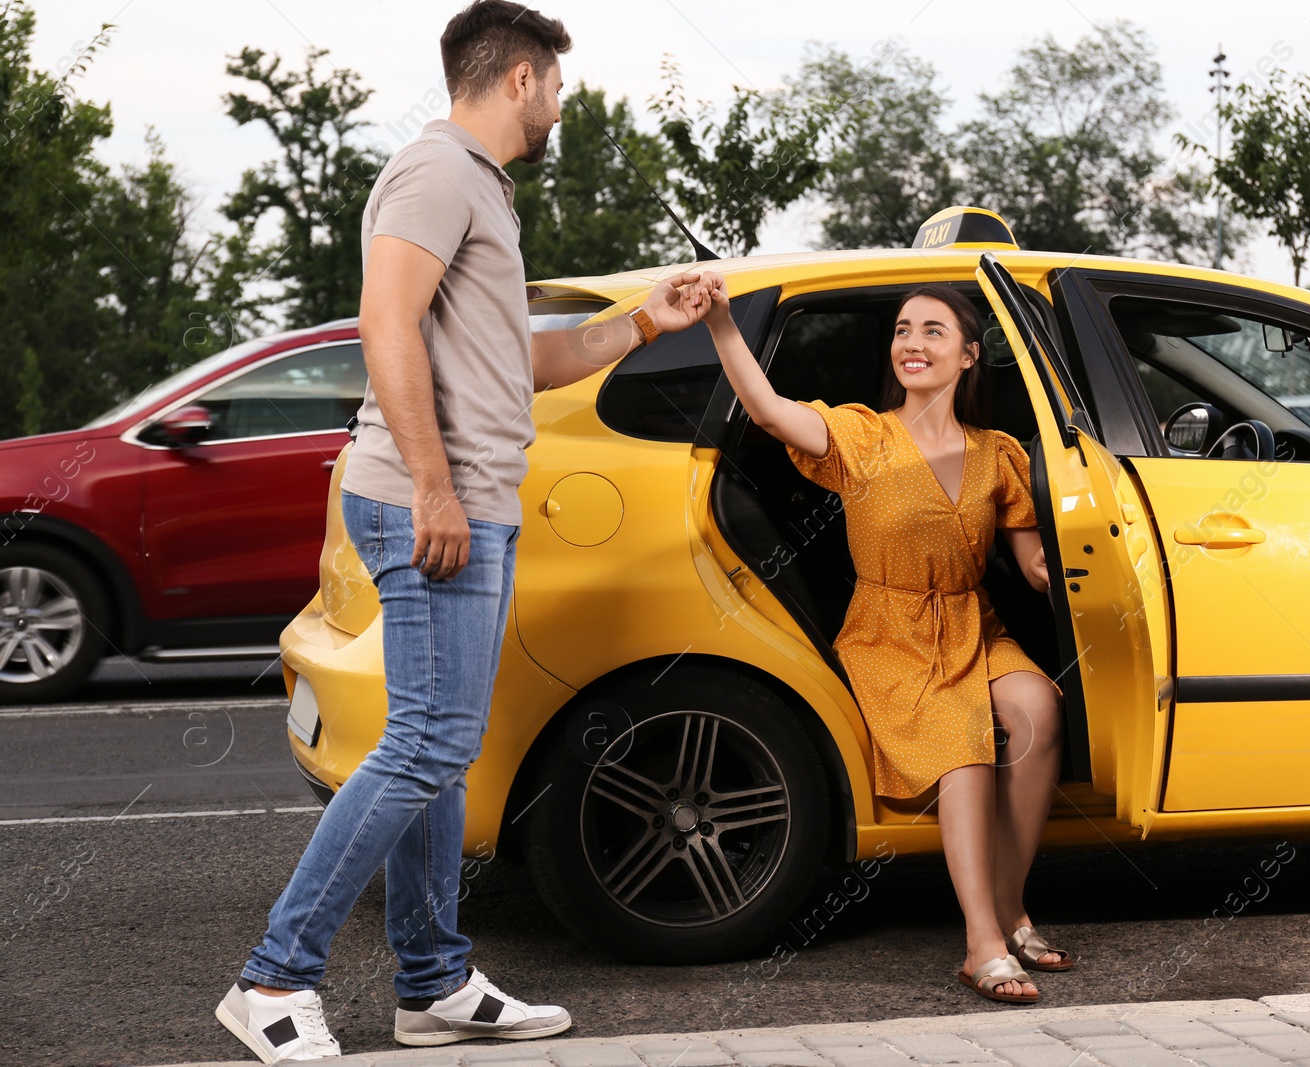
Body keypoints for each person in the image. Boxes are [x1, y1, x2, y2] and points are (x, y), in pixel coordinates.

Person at [215, 3, 712, 1061]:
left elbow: (523, 362)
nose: (561, 105)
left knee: (443, 751)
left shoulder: (481, 190)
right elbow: (382, 319)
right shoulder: (437, 170)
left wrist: (642, 322)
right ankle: (272, 976)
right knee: (428, 742)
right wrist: (435, 487)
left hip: (469, 500)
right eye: (559, 86)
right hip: (429, 501)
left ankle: (433, 980)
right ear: (522, 78)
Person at [700, 276, 1072, 1004]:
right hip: (888, 631)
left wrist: (1082, 576)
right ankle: (982, 944)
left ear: (969, 355)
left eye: (933, 330)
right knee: (962, 745)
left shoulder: (998, 452)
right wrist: (719, 321)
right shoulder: (862, 433)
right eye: (903, 330)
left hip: (972, 623)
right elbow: (769, 410)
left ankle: (1010, 901)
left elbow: (1030, 560)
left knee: (1037, 710)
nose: (912, 342)